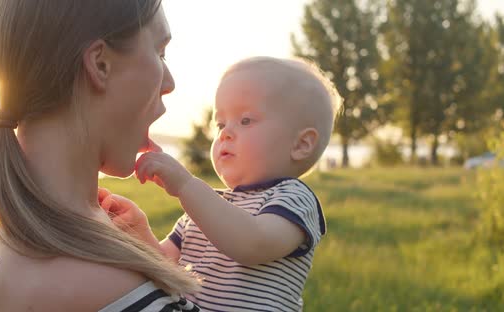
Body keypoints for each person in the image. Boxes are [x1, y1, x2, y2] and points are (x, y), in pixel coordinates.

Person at [0, 1, 202, 311]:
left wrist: (148, 254)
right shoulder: (107, 285)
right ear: (100, 64)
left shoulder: (15, 237)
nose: (170, 83)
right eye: (160, 53)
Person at [102, 56, 343, 311]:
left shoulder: (294, 198)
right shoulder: (205, 209)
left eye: (246, 120)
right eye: (220, 124)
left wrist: (186, 185)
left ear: (301, 144)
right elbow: (164, 269)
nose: (225, 133)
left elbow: (252, 243)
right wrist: (139, 233)